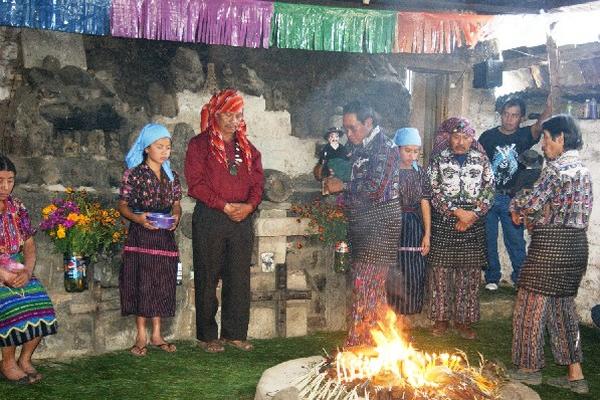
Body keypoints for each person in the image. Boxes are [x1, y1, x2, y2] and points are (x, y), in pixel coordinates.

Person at [509, 115, 592, 394]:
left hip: (551, 247)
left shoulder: (555, 170)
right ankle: (575, 376)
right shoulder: (583, 170)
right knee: (563, 309)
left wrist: (517, 202)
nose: (543, 144)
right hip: (576, 247)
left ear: (561, 139)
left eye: (546, 138)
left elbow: (533, 203)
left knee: (530, 305)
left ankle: (529, 369)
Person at [184, 89, 264, 353]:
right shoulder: (199, 145)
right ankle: (208, 336)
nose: (233, 120)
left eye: (238, 114)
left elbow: (257, 183)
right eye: (228, 114)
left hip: (241, 218)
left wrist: (249, 206)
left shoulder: (248, 149)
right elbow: (195, 184)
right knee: (207, 276)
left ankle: (235, 333)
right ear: (216, 113)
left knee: (239, 277)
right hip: (211, 216)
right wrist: (225, 205)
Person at [323, 101, 402, 347]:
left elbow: (376, 189)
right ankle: (374, 341)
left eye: (353, 128)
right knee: (368, 284)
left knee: (365, 282)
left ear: (368, 123)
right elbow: (341, 165)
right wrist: (327, 172)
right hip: (362, 221)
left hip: (381, 222)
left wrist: (342, 186)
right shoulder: (357, 145)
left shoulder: (386, 148)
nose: (349, 134)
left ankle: (358, 344)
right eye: (345, 129)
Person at [427, 117, 494, 340]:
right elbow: (433, 191)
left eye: (465, 137)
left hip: (473, 224)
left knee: (470, 275)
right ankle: (440, 320)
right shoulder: (438, 159)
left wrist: (473, 215)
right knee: (440, 275)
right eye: (456, 137)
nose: (460, 142)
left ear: (472, 138)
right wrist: (456, 212)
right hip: (445, 222)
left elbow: (489, 189)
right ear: (449, 137)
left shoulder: (482, 159)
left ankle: (464, 321)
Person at [118, 123, 182, 356]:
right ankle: (141, 336)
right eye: (160, 146)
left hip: (164, 236)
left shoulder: (171, 176)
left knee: (162, 282)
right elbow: (123, 206)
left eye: (168, 147)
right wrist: (138, 218)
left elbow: (176, 204)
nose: (165, 151)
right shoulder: (133, 174)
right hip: (141, 235)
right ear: (147, 148)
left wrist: (175, 217)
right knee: (141, 282)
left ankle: (157, 334)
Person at [478, 97, 551, 290]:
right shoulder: (487, 137)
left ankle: (521, 279)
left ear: (521, 118)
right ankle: (492, 277)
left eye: (515, 115)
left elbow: (542, 123)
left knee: (516, 241)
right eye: (506, 114)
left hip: (514, 199)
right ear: (501, 115)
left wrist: (552, 98)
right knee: (488, 238)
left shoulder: (525, 135)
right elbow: (477, 164)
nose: (510, 119)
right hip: (489, 195)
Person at [0, 154, 57, 383]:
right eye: (0, 180)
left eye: (10, 180)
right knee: (11, 306)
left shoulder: (17, 207)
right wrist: (3, 274)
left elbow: (30, 245)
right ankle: (7, 363)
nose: (5, 186)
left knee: (42, 306)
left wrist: (27, 271)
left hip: (17, 266)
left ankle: (25, 359)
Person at [386, 128, 431, 323]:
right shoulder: (388, 172)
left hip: (413, 225)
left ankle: (408, 318)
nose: (412, 156)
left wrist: (427, 234)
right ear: (397, 149)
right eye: (407, 150)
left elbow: (424, 203)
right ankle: (391, 317)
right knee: (393, 269)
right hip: (392, 223)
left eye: (416, 151)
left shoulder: (420, 173)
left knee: (414, 269)